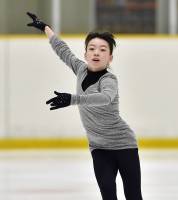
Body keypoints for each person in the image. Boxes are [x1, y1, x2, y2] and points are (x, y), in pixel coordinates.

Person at [27, 12, 143, 200]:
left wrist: (74, 99)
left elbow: (104, 97)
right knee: (107, 193)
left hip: (124, 145)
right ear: (86, 53)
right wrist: (45, 28)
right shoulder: (80, 69)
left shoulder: (109, 80)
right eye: (92, 48)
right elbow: (62, 50)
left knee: (133, 195)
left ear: (110, 58)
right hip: (98, 147)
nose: (96, 52)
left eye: (103, 49)